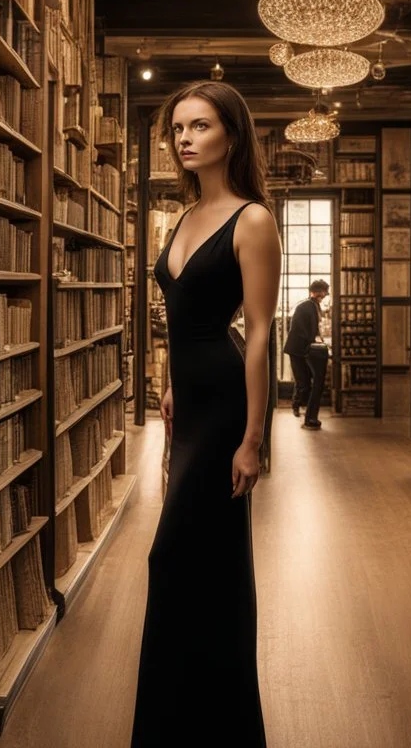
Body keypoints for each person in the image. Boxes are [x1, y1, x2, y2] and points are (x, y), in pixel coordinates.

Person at [132, 80, 280, 747]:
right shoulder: (183, 214)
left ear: (232, 134)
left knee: (174, 559)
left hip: (224, 403)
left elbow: (258, 331)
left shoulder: (251, 219)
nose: (185, 138)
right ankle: (193, 722)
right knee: (200, 564)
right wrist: (166, 382)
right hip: (186, 402)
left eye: (200, 126)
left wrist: (254, 439)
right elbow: (177, 320)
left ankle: (199, 725)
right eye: (178, 129)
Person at [284, 279, 330, 430]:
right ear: (319, 292)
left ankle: (299, 407)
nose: (325, 294)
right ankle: (297, 406)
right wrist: (316, 341)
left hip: (300, 348)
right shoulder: (309, 307)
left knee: (304, 379)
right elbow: (310, 330)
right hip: (299, 349)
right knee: (303, 380)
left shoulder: (310, 305)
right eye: (324, 292)